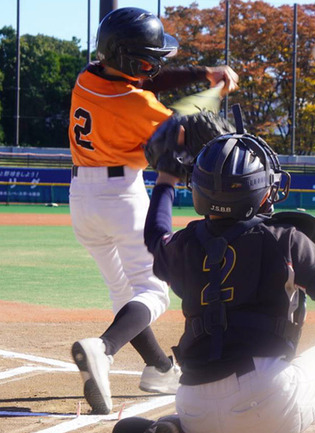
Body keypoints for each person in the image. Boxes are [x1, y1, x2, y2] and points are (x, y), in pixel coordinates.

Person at [111, 115, 315, 433]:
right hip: (269, 401)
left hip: (193, 402)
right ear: (264, 191)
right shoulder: (284, 238)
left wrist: (166, 177)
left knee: (143, 426)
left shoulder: (184, 243)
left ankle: (175, 428)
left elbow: (155, 236)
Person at [68, 7, 238, 414]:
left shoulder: (88, 76)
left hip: (80, 198)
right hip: (122, 198)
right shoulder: (141, 106)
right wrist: (211, 98)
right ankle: (103, 348)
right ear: (131, 61)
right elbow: (185, 131)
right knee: (154, 290)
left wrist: (204, 75)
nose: (153, 66)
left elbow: (148, 80)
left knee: (123, 292)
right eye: (147, 60)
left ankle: (159, 368)